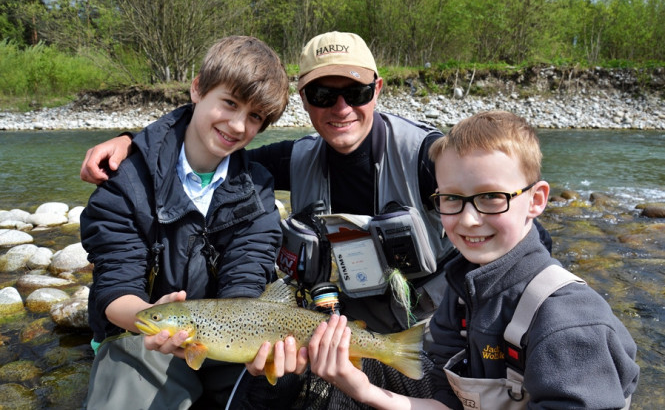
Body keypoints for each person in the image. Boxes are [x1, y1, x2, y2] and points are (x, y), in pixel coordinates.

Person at [79, 32, 552, 406]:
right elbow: (207, 145)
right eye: (324, 94)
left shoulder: (428, 155)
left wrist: (528, 312)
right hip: (338, 321)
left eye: (356, 92)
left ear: (377, 89)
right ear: (305, 101)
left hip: (438, 322)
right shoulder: (275, 166)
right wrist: (132, 143)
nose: (341, 108)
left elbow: (505, 203)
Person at [305, 110, 640, 409]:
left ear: (536, 200)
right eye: (452, 199)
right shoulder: (461, 293)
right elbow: (447, 404)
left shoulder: (568, 321)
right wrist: (363, 390)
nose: (468, 219)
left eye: (491, 197)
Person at [80, 36, 289, 409]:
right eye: (230, 103)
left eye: (255, 116)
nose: (237, 125)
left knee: (280, 382)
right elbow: (115, 288)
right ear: (197, 89)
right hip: (139, 335)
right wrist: (149, 318)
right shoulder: (124, 181)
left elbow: (245, 286)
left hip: (225, 340)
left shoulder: (258, 190)